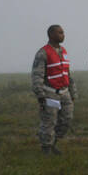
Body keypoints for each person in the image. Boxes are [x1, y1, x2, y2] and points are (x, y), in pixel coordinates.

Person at [31, 24, 76, 154]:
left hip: (65, 92)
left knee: (66, 120)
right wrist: (40, 94)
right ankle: (46, 149)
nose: (63, 35)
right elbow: (37, 75)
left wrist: (73, 92)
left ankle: (53, 143)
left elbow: (67, 73)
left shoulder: (64, 52)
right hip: (50, 93)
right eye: (60, 33)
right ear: (51, 35)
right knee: (49, 122)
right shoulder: (43, 53)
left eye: (63, 32)